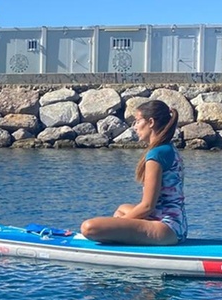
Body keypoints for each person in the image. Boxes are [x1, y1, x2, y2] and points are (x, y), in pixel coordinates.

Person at [80, 99, 187, 245]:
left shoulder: (156, 155)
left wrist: (118, 223)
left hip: (165, 227)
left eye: (137, 121)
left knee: (89, 228)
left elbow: (147, 206)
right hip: (177, 223)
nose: (135, 127)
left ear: (150, 122)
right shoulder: (169, 148)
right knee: (122, 208)